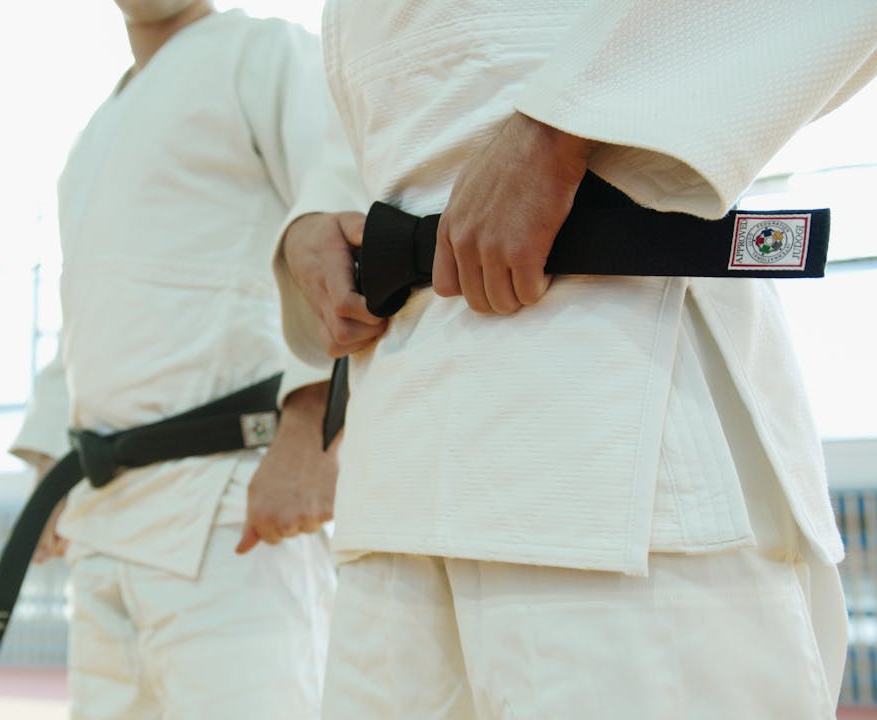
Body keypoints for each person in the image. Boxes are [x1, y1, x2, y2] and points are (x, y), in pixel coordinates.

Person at [275, 2, 877, 718]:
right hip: (393, 458)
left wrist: (561, 126)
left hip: (608, 407)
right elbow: (394, 106)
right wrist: (313, 223)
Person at [8, 2, 365, 718]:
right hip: (104, 517)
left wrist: (312, 432)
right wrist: (51, 453)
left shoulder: (264, 54)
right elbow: (88, 303)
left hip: (230, 505)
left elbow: (338, 220)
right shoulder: (93, 132)